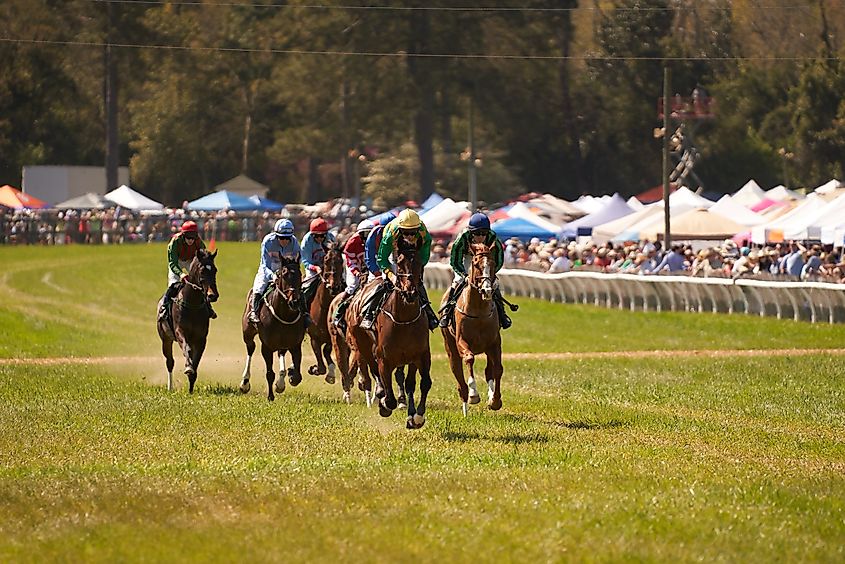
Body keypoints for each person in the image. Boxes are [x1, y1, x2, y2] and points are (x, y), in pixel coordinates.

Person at [359, 209, 438, 331]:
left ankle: (429, 313)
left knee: (417, 282)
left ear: (418, 229)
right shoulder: (390, 234)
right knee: (385, 282)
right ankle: (369, 313)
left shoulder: (424, 234)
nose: (409, 236)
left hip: (413, 252)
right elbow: (382, 260)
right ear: (400, 229)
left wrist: (417, 268)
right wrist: (391, 275)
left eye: (413, 233)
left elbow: (424, 256)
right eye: (405, 233)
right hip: (393, 251)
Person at [438, 212, 510, 329]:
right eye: (477, 233)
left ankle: (502, 315)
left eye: (484, 233)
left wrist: (489, 275)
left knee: (494, 284)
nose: (480, 237)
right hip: (467, 259)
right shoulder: (463, 238)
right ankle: (447, 312)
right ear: (471, 232)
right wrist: (464, 274)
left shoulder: (493, 239)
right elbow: (455, 260)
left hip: (485, 261)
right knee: (457, 281)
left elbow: (499, 260)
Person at [249, 218, 303, 324]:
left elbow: (298, 260)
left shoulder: (294, 243)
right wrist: (272, 275)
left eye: (288, 238)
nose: (285, 241)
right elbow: (265, 264)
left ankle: (305, 314)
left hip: (286, 269)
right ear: (276, 235)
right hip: (269, 269)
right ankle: (254, 312)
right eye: (282, 238)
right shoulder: (268, 242)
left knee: (298, 288)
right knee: (259, 287)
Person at [158, 220, 215, 321]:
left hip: (191, 261)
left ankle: (208, 307)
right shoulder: (174, 242)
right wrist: (181, 274)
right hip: (177, 261)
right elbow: (172, 263)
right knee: (173, 285)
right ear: (183, 235)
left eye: (193, 237)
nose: (191, 240)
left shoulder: (199, 242)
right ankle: (164, 308)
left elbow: (204, 257)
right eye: (188, 237)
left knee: (201, 282)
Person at [332, 219, 374, 330]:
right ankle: (339, 311)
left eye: (369, 234)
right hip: (354, 265)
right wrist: (357, 273)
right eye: (363, 235)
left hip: (369, 266)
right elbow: (351, 261)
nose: (366, 238)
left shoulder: (376, 240)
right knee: (353, 285)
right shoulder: (352, 243)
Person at [300, 218, 337, 313]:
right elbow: (306, 261)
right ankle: (303, 310)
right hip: (313, 268)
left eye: (322, 236)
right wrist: (315, 268)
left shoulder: (331, 238)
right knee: (308, 286)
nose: (319, 238)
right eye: (316, 236)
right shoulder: (307, 241)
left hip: (328, 268)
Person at [364, 212, 397, 279]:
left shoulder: (400, 233)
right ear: (381, 228)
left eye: (392, 229)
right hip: (377, 260)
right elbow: (369, 257)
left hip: (394, 259)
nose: (389, 232)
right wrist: (376, 271)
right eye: (386, 228)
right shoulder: (373, 236)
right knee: (373, 279)